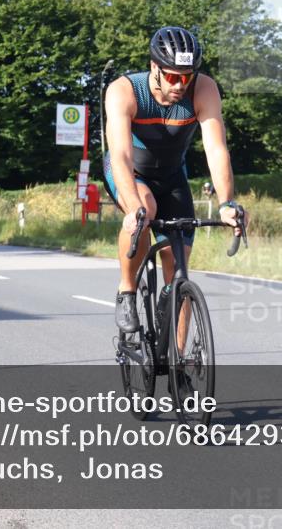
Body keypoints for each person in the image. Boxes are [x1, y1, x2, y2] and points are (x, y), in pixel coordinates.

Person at [103, 26, 248, 333]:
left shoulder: (204, 89)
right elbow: (121, 157)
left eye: (188, 76)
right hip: (132, 175)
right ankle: (127, 290)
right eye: (172, 76)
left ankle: (179, 367)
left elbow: (216, 148)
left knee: (178, 270)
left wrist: (226, 202)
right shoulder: (124, 91)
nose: (181, 85)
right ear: (154, 68)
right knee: (145, 209)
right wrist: (132, 209)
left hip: (172, 177)